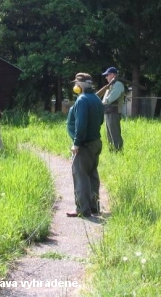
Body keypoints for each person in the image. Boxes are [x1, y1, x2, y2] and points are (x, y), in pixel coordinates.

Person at [66, 72, 104, 217]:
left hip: (84, 144)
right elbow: (100, 121)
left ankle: (82, 209)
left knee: (80, 176)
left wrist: (77, 143)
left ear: (80, 85)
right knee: (92, 174)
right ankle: (94, 206)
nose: (75, 86)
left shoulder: (82, 100)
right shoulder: (96, 99)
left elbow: (81, 124)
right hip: (96, 142)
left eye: (76, 83)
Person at [100, 67, 125, 151]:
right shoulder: (111, 86)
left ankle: (118, 151)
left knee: (115, 134)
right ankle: (112, 152)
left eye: (107, 75)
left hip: (114, 112)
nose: (106, 77)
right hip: (108, 112)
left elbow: (109, 100)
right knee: (109, 135)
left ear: (113, 75)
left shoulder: (118, 85)